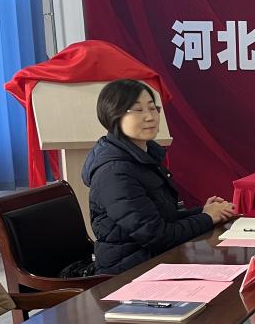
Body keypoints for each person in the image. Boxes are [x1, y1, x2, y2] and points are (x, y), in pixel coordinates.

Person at [82, 79, 235, 275]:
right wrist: (207, 218)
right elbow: (156, 236)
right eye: (138, 110)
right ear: (113, 115)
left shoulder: (144, 156)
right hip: (127, 273)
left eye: (153, 108)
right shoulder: (114, 172)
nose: (150, 117)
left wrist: (204, 212)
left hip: (155, 260)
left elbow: (161, 219)